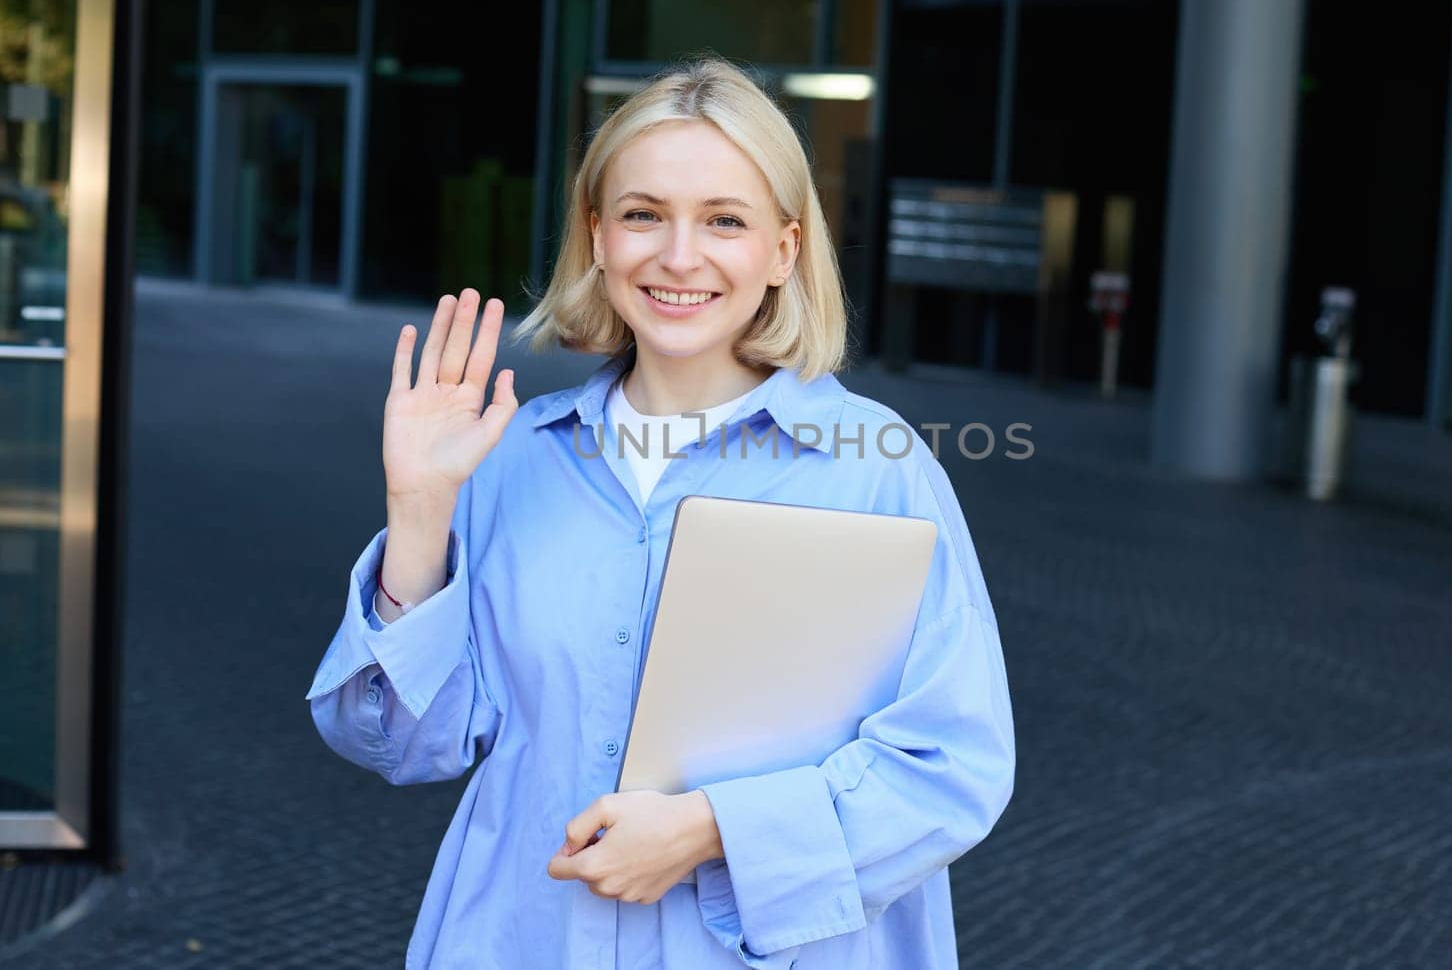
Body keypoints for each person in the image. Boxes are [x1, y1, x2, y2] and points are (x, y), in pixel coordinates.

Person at [305, 55, 1015, 969]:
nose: (680, 257)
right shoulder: (511, 458)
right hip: (526, 939)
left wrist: (712, 830)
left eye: (725, 220)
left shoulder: (876, 468)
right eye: (643, 215)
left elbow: (953, 764)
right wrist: (418, 511)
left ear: (784, 251)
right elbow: (401, 744)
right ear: (598, 236)